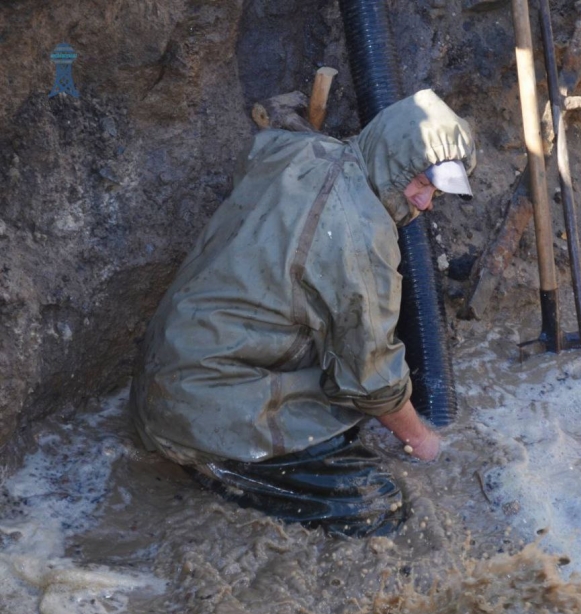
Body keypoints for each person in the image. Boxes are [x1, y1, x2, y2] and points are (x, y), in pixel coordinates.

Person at [130, 89, 477, 536]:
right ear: (397, 164)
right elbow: (371, 378)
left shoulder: (301, 148)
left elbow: (257, 152)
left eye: (434, 191)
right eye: (423, 184)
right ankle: (215, 468)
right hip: (195, 413)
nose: (425, 203)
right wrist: (424, 440)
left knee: (336, 409)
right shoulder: (362, 239)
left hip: (168, 364)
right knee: (379, 506)